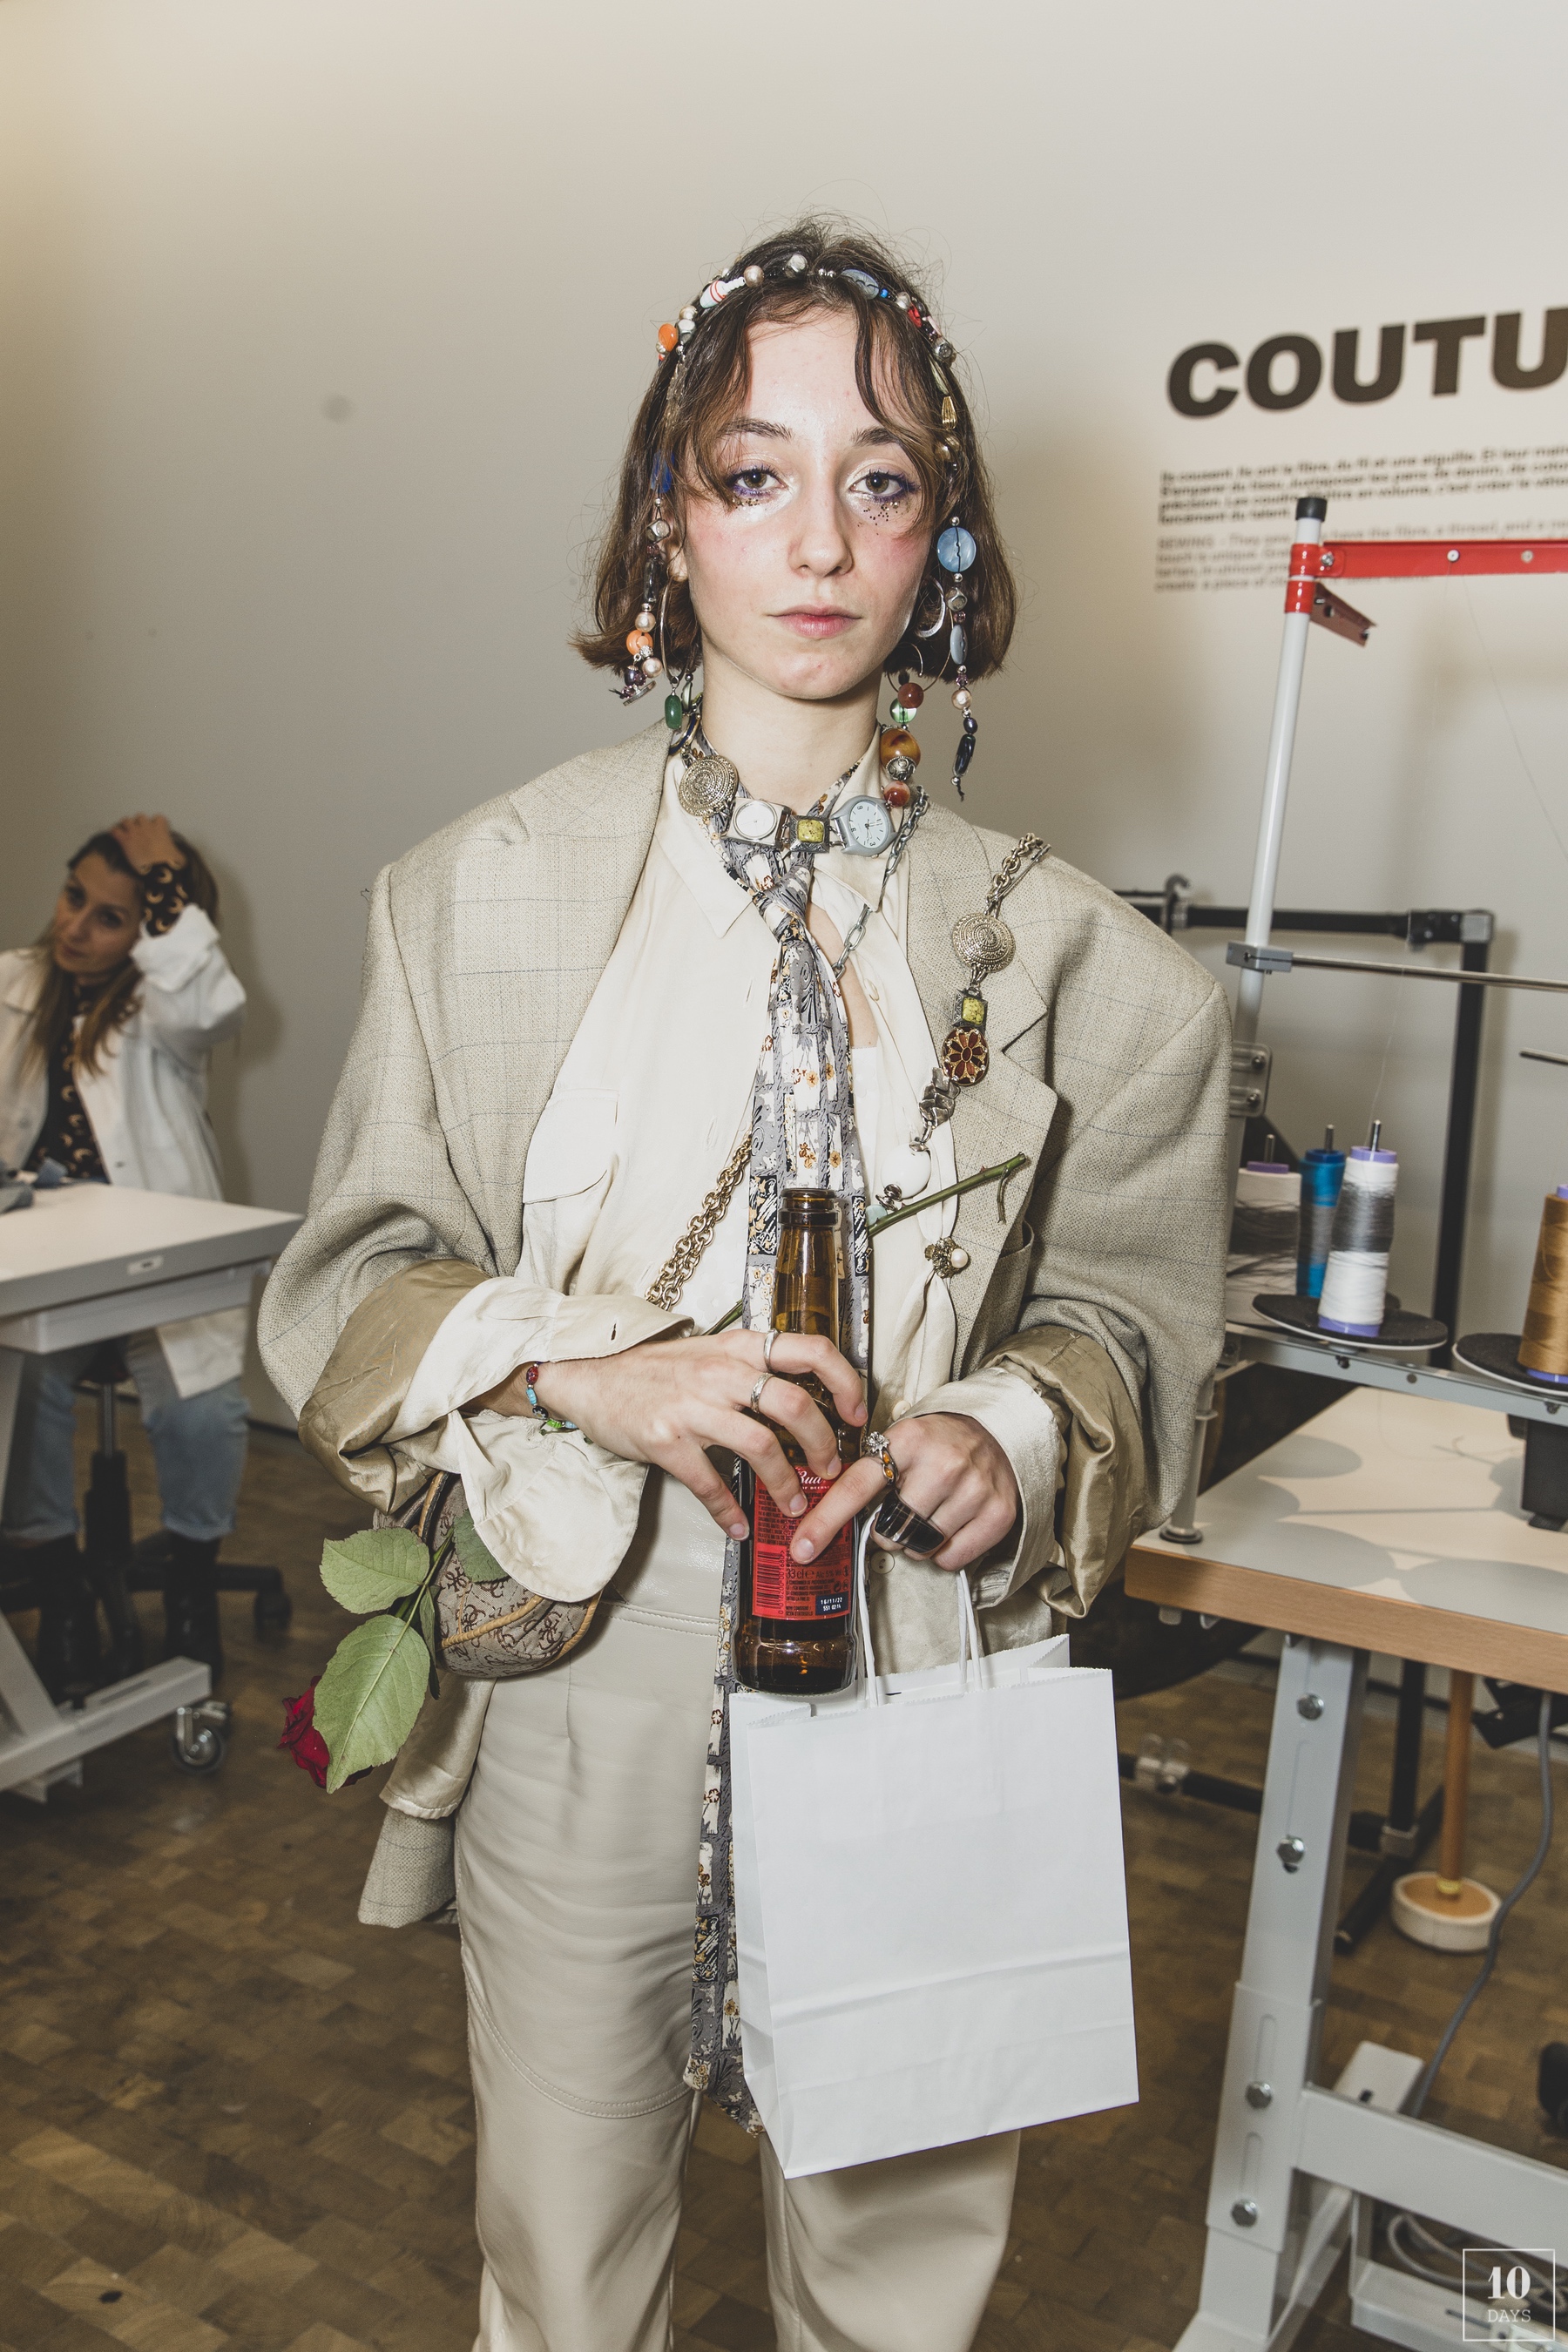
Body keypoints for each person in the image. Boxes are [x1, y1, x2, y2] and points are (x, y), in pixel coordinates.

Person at [260, 220, 1231, 2352]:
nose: (817, 539)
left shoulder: (1104, 976)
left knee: (897, 2274)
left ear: (942, 539)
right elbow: (349, 1284)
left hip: (924, 1652)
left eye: (880, 480)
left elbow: (1141, 1325)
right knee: (562, 2250)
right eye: (753, 473)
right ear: (666, 525)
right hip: (579, 1647)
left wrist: (1010, 1425)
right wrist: (583, 1370)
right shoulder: (471, 899)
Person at [0, 815, 249, 1692]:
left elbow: (211, 1005)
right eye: (74, 898)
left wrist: (164, 874)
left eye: (110, 917)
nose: (75, 927)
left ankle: (190, 1590)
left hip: (156, 1263)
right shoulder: (13, 984)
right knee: (21, 1392)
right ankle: (59, 1588)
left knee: (201, 1410)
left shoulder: (163, 1004)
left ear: (149, 929)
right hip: (44, 1266)